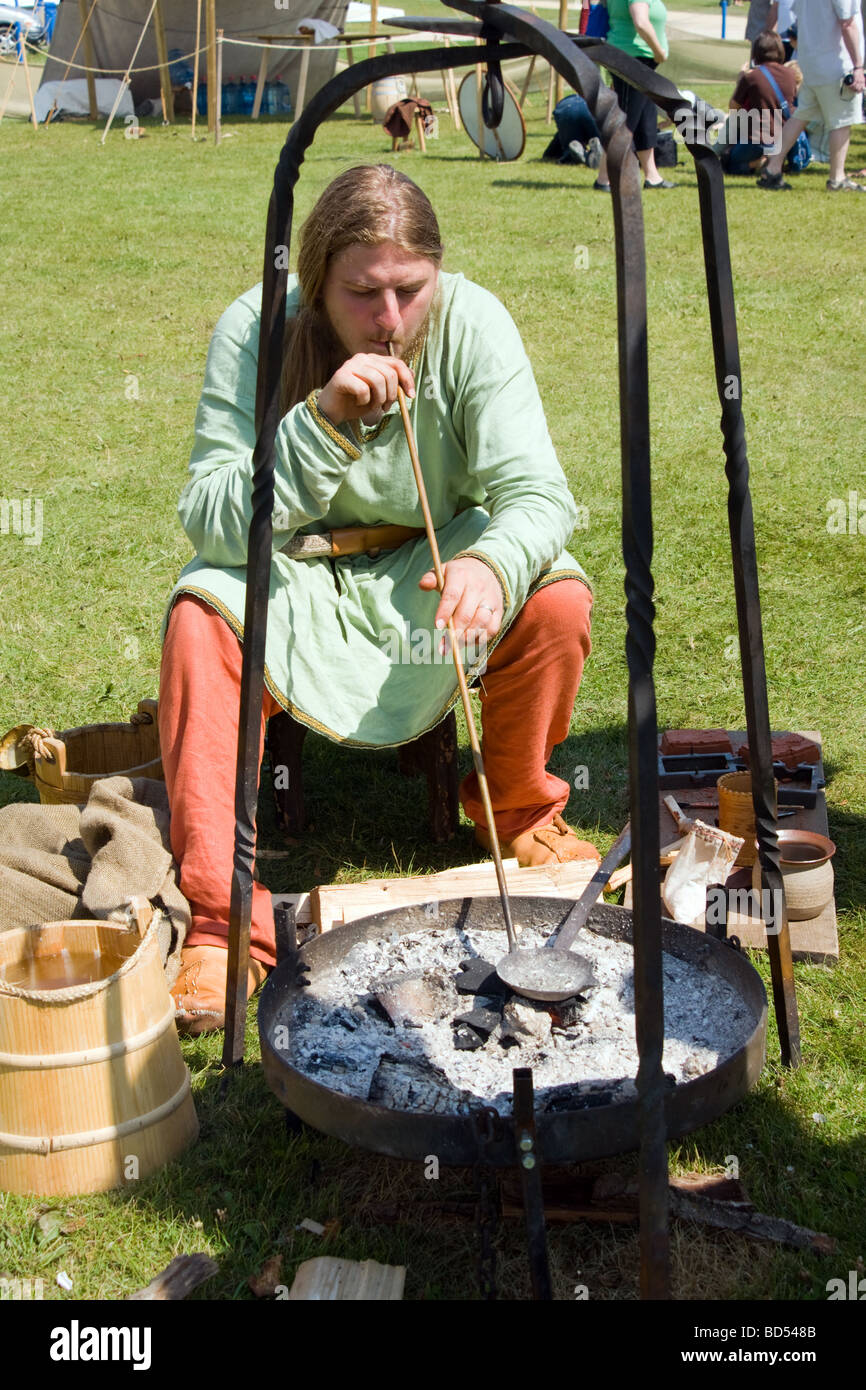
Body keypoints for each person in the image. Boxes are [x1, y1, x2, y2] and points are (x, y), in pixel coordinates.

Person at [159, 165, 596, 1034]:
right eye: (362, 292)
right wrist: (318, 424)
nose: (390, 318)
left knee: (556, 599)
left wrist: (496, 565)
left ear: (438, 275)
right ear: (317, 281)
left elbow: (541, 495)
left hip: (432, 572)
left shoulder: (473, 324)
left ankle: (513, 808)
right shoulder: (257, 327)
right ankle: (221, 921)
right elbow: (210, 519)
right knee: (198, 618)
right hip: (293, 570)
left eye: (410, 289)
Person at [759, 0, 865, 189]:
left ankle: (772, 167)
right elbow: (847, 23)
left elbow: (798, 19)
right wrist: (858, 65)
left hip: (811, 61)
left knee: (801, 116)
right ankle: (837, 178)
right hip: (835, 64)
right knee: (841, 121)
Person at [720, 31, 800, 174]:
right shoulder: (791, 75)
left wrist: (741, 79)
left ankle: (758, 162)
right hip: (783, 137)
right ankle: (773, 160)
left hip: (755, 140)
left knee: (728, 165)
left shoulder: (751, 77)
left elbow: (734, 107)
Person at [542, 92, 604, 166]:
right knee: (604, 145)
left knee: (570, 148)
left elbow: (554, 146)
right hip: (590, 110)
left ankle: (571, 155)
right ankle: (590, 155)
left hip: (565, 109)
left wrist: (548, 154)